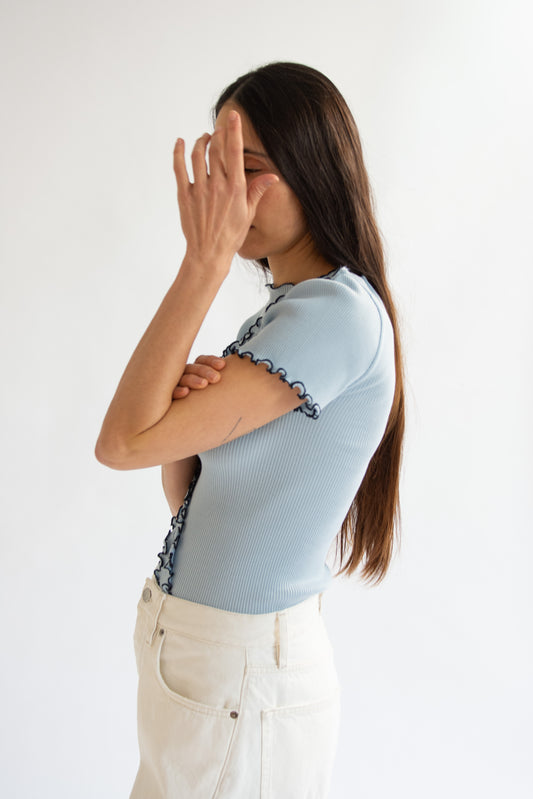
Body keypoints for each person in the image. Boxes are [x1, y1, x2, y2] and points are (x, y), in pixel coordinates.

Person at [95, 61, 405, 799]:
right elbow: (192, 498)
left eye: (251, 169)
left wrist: (202, 262)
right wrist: (182, 408)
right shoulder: (288, 312)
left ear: (314, 171)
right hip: (211, 664)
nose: (226, 192)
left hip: (242, 676)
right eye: (220, 167)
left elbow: (120, 443)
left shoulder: (334, 315)